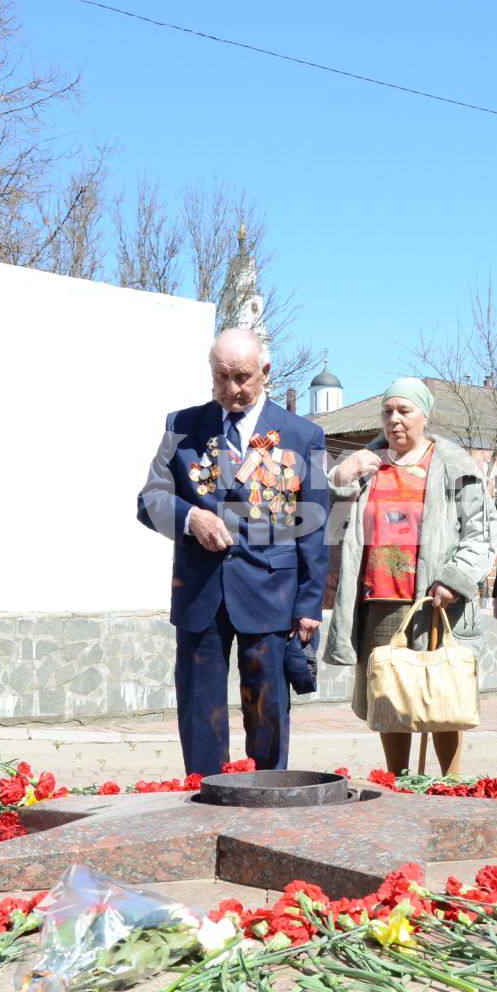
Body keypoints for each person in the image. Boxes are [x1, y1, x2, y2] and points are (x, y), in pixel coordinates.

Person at [137, 329, 330, 776]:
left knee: (267, 709)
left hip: (271, 593)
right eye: (221, 377)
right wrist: (191, 519)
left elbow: (315, 527)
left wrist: (308, 604)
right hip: (200, 594)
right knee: (199, 707)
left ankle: (269, 796)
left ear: (265, 372)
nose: (232, 389)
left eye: (242, 377)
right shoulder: (181, 427)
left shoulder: (303, 436)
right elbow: (149, 500)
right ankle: (205, 796)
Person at [323, 378, 497, 776]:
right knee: (391, 697)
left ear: (425, 415)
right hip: (380, 601)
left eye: (405, 411)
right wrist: (341, 475)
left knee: (441, 695)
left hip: (435, 602)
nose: (394, 420)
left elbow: (483, 527)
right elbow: (325, 522)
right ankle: (398, 781)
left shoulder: (450, 462)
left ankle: (450, 783)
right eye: (387, 412)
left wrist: (455, 578)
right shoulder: (368, 463)